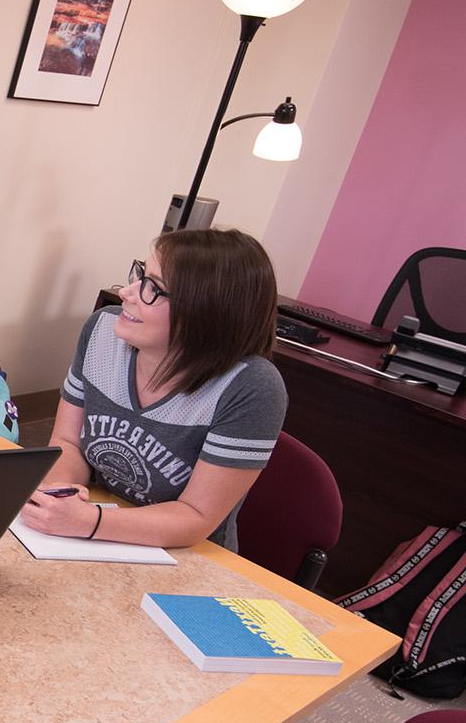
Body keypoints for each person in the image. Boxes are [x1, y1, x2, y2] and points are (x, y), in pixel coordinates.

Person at [19, 227, 288, 551]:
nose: (127, 293)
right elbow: (68, 442)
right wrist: (60, 493)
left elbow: (196, 517)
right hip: (96, 524)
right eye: (140, 275)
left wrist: (87, 522)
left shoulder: (252, 387)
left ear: (205, 310)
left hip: (185, 555)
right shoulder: (104, 331)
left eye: (153, 288)